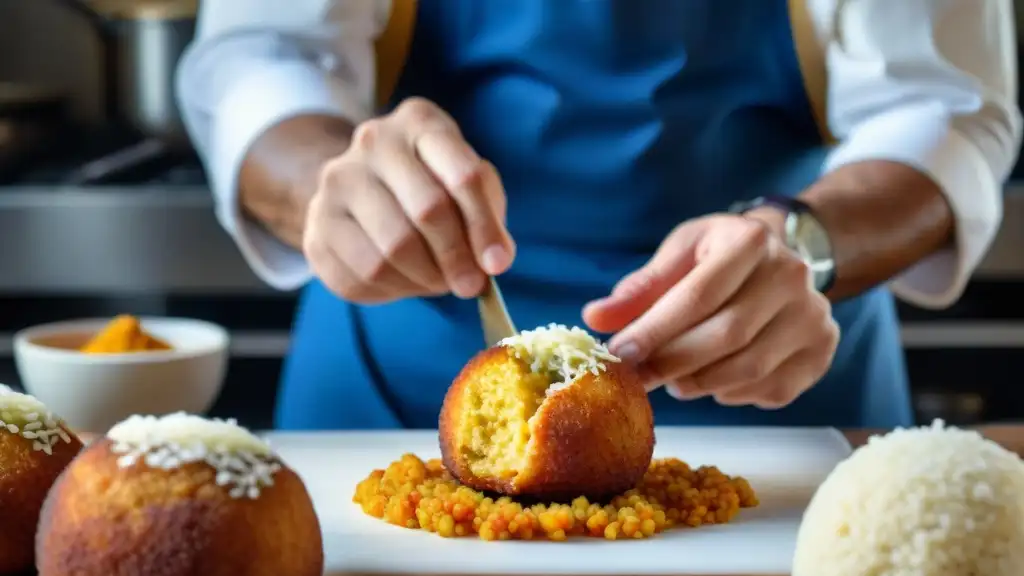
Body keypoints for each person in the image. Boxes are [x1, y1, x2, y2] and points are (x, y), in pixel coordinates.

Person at [176, 0, 1020, 431]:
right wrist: (335, 185)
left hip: (777, 366)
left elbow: (945, 103)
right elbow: (262, 53)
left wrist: (803, 242)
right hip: (393, 383)